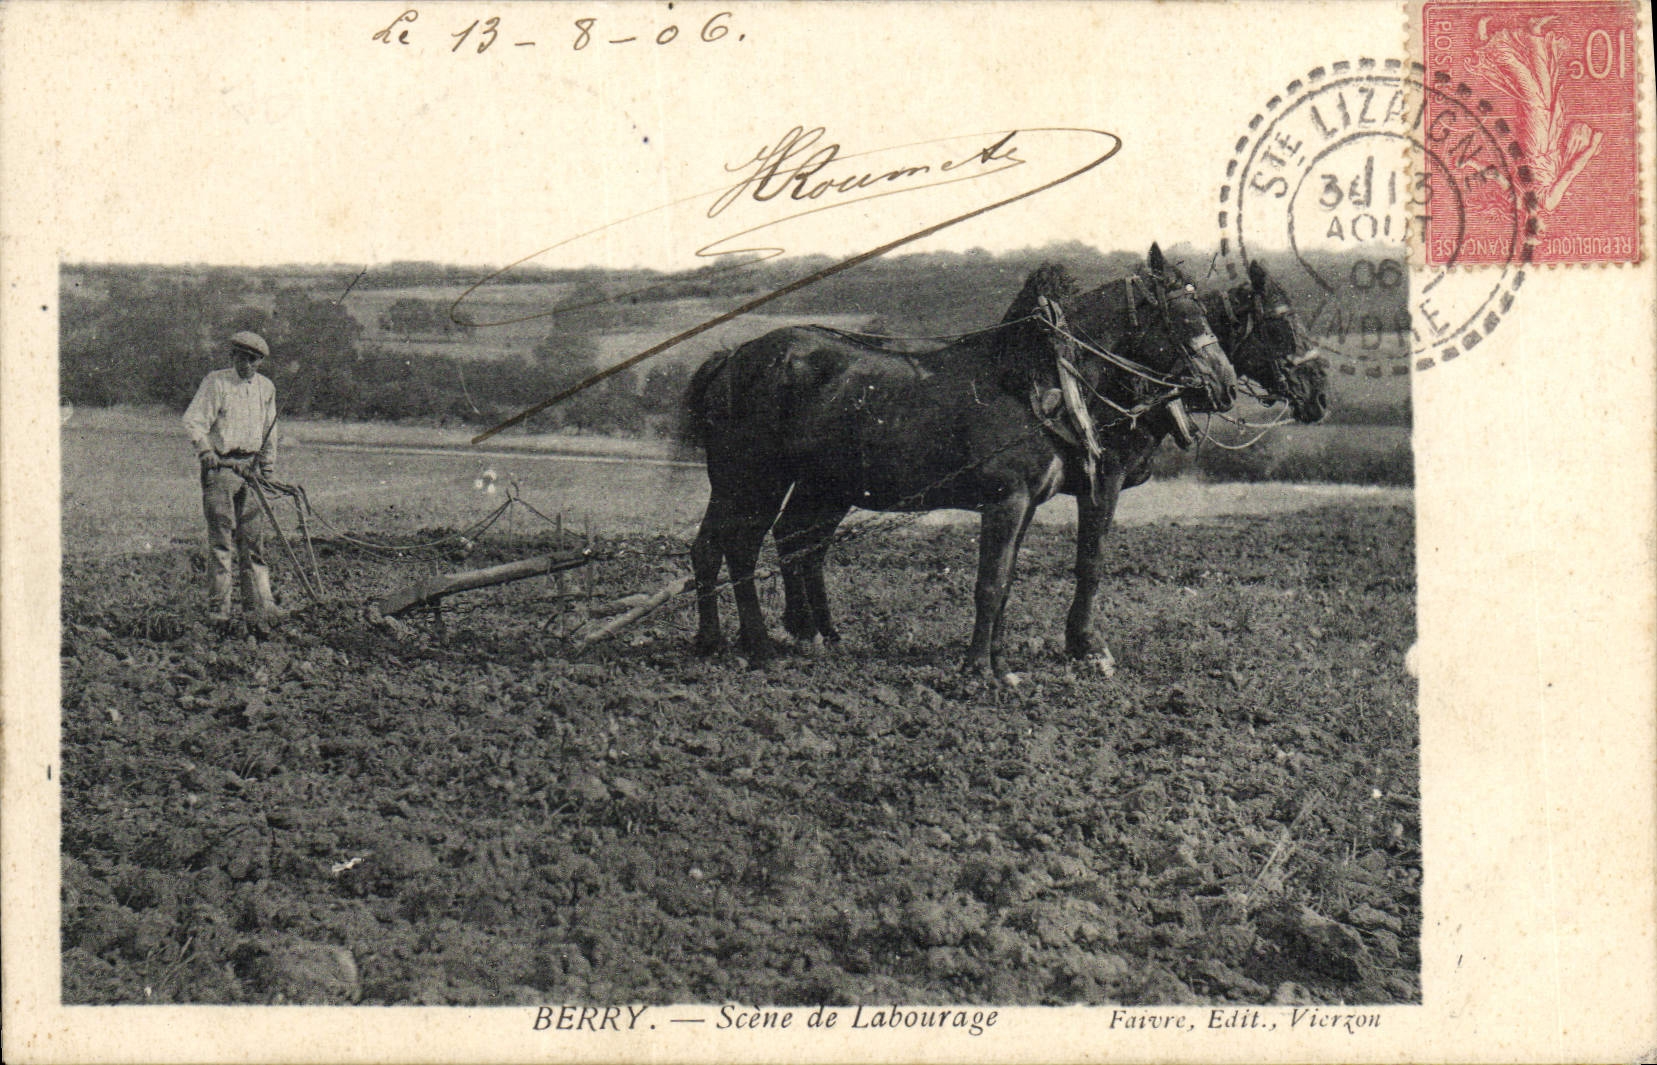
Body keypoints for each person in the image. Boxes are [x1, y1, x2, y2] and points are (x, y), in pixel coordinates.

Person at [182, 331, 285, 623]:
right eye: (242, 358)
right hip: (222, 470)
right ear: (233, 356)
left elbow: (270, 432)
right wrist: (205, 451)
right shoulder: (217, 382)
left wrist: (267, 469)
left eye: (253, 360)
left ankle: (260, 607)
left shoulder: (266, 389)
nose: (247, 365)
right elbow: (193, 421)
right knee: (222, 541)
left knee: (253, 543)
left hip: (251, 470)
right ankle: (219, 610)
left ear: (260, 362)